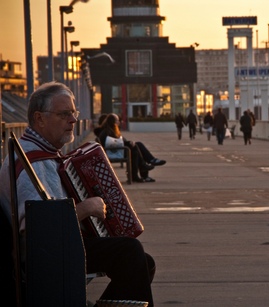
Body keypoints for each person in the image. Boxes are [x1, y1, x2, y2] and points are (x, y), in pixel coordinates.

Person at [0, 82, 155, 306]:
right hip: (45, 259)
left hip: (57, 247)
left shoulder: (37, 153)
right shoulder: (30, 163)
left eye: (74, 113)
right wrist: (86, 208)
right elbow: (38, 229)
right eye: (64, 114)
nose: (73, 120)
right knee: (130, 253)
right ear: (39, 118)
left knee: (142, 262)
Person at [98, 113, 166, 183]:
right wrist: (128, 143)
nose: (119, 122)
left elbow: (118, 142)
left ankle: (149, 162)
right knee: (135, 149)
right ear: (113, 122)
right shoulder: (107, 132)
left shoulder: (111, 130)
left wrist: (128, 142)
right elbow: (114, 143)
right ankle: (143, 169)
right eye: (117, 120)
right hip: (114, 152)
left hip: (118, 150)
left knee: (138, 145)